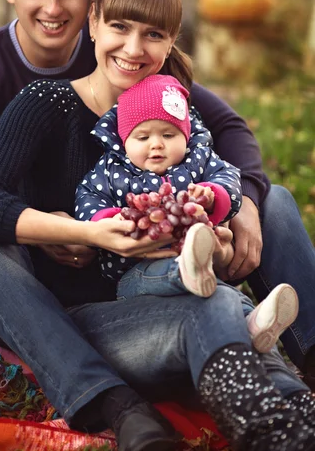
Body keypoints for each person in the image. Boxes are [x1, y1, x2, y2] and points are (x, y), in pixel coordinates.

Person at [0, 0, 315, 451]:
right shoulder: (47, 103)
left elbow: (227, 157)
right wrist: (83, 233)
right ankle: (118, 408)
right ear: (94, 21)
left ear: (171, 42)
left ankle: (297, 395)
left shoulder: (177, 112)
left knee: (262, 223)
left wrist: (231, 214)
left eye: (153, 35)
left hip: (177, 299)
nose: (134, 49)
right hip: (72, 320)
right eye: (119, 26)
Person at [75, 73, 299, 354]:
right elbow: (87, 198)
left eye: (168, 134)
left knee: (218, 290)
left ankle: (255, 322)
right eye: (142, 136)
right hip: (137, 272)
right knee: (198, 278)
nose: (156, 144)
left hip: (205, 268)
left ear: (185, 135)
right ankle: (195, 274)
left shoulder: (198, 159)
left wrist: (211, 193)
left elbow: (229, 178)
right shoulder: (112, 170)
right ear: (123, 140)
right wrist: (107, 219)